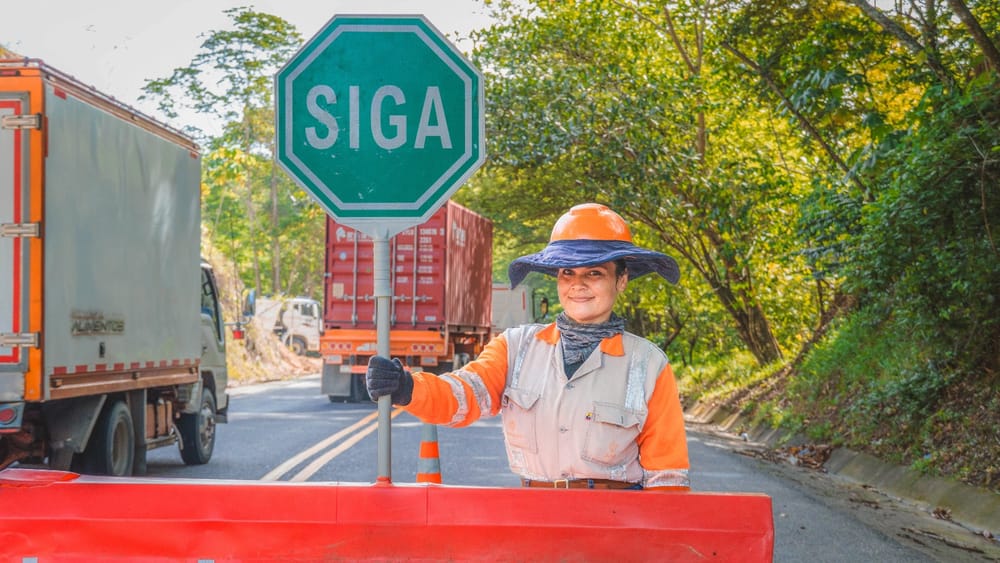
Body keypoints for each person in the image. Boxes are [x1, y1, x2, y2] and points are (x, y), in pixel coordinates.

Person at [366, 203, 689, 490]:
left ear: (621, 280)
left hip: (615, 526)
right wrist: (408, 387)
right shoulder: (516, 346)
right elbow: (463, 396)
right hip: (533, 516)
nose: (578, 284)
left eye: (594, 272)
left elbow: (668, 477)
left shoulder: (648, 364)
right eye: (567, 272)